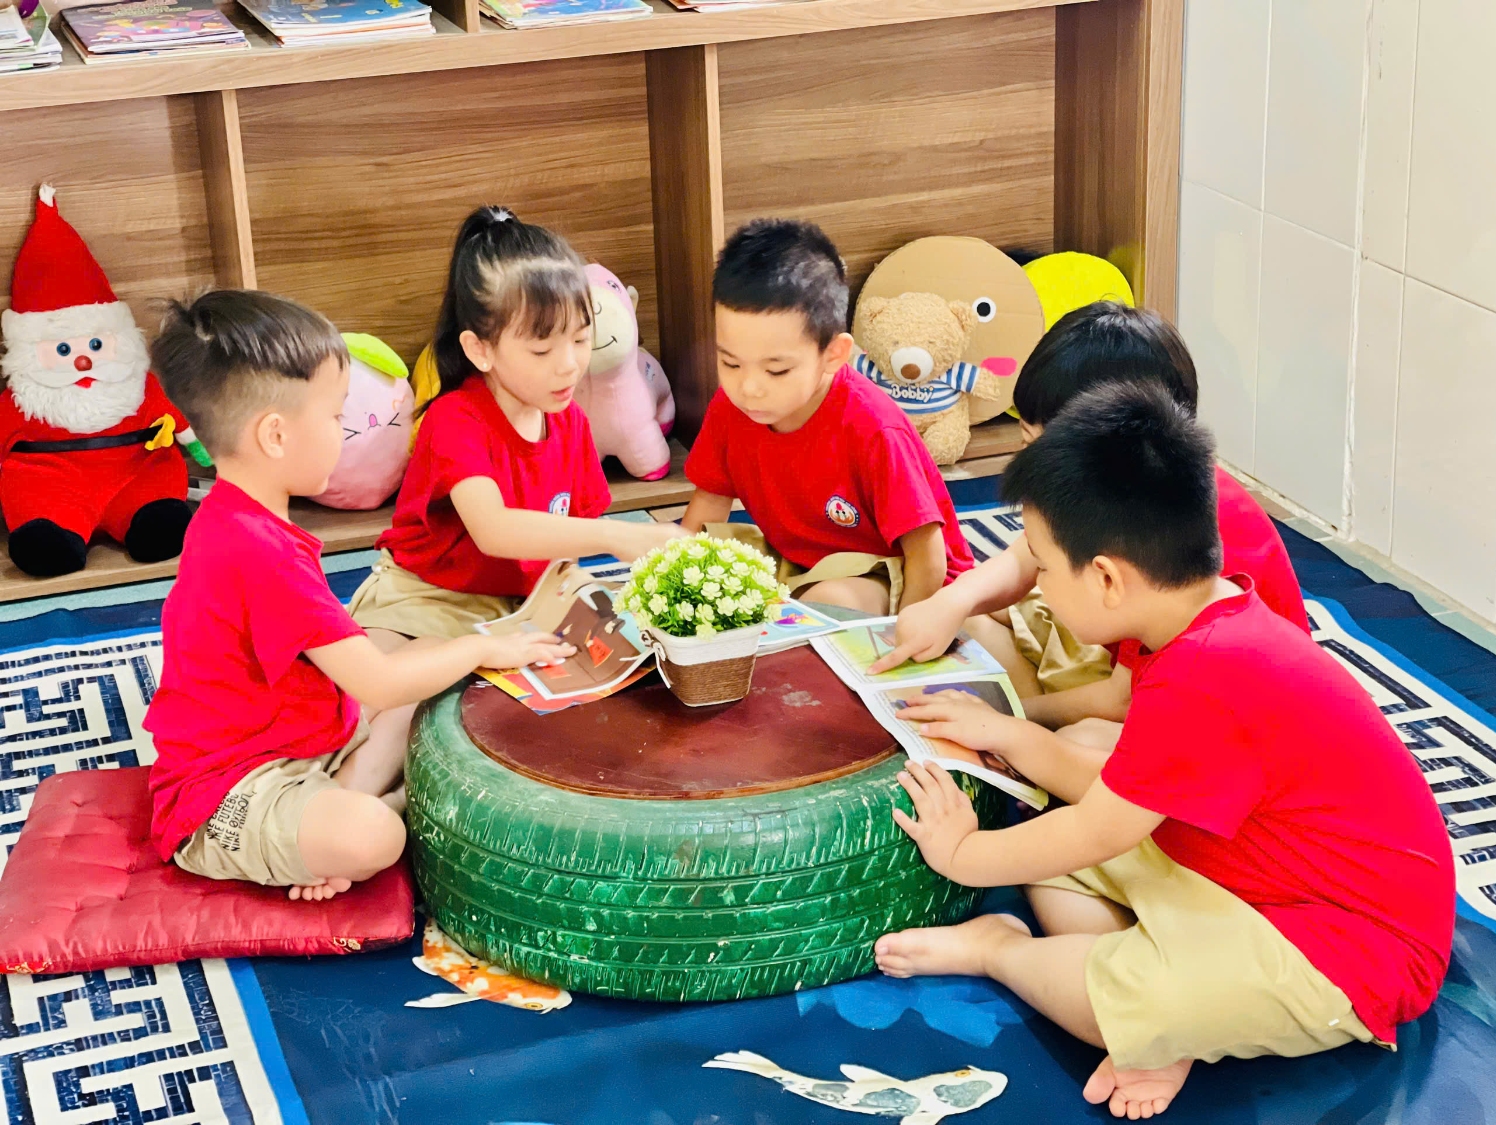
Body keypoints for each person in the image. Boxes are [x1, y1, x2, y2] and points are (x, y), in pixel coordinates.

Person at [874, 383, 1454, 1119]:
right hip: (1247, 871)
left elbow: (1098, 826)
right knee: (1050, 854)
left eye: (1044, 569)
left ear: (1107, 577)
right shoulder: (1202, 617)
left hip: (1354, 949)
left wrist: (962, 854)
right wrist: (1013, 734)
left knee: (1099, 966)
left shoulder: (1207, 673)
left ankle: (1005, 952)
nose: (1039, 587)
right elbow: (1121, 795)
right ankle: (1169, 1027)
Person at [145, 291, 575, 901]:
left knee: (428, 659)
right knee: (374, 835)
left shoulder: (236, 517)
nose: (344, 432)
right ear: (275, 435)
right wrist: (485, 647)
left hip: (302, 736)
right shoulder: (259, 552)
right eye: (335, 416)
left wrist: (455, 653)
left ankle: (339, 803)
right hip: (226, 791)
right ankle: (374, 810)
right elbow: (378, 682)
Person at [872, 302, 1307, 730]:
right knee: (965, 618)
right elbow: (1026, 556)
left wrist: (1009, 718)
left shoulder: (1181, 537)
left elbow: (1124, 701)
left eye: (1038, 449)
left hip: (1202, 714)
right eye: (1025, 442)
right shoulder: (1133, 488)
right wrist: (953, 600)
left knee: (1084, 738)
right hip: (1123, 652)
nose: (1029, 467)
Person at [348, 207, 684, 649]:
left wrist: (575, 595)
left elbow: (569, 538)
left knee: (630, 645)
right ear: (480, 350)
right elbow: (494, 529)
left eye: (580, 339)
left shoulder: (571, 421)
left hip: (526, 599)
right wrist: (621, 536)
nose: (570, 365)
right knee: (393, 681)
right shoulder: (455, 419)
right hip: (431, 597)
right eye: (542, 351)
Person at [681, 219, 973, 614]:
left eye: (776, 370)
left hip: (899, 574)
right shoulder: (733, 406)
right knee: (702, 560)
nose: (749, 388)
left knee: (826, 603)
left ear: (834, 355)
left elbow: (929, 558)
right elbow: (705, 514)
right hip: (802, 562)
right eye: (730, 363)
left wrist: (908, 631)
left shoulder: (874, 427)